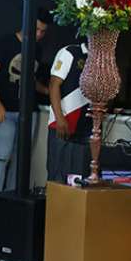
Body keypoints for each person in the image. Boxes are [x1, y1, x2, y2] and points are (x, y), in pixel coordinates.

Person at [0, 11, 50, 193]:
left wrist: (48, 91)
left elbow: (31, 80)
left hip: (29, 111)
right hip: (5, 110)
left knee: (21, 159)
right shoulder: (5, 43)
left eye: (43, 31)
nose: (39, 34)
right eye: (36, 29)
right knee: (2, 156)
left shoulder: (37, 49)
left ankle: (12, 198)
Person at [47, 41, 92, 183]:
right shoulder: (70, 52)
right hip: (63, 122)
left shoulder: (100, 60)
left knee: (80, 177)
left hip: (86, 125)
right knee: (57, 173)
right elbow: (53, 84)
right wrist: (59, 118)